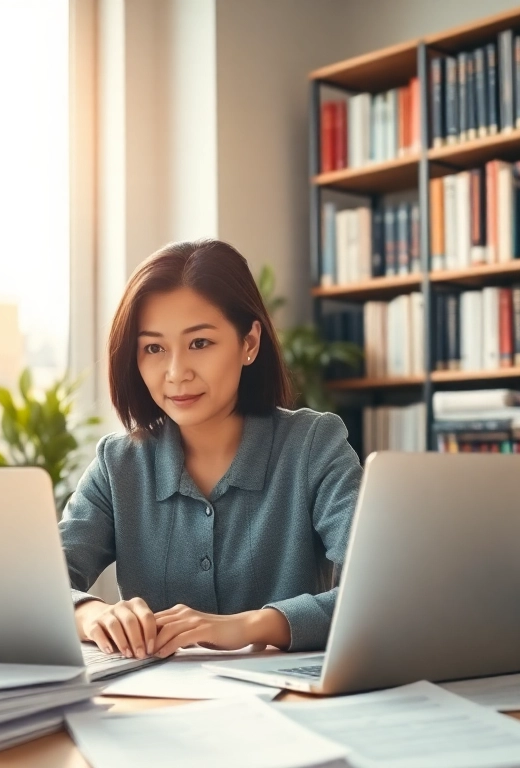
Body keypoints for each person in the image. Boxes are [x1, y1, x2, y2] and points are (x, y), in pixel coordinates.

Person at [60, 239, 362, 661]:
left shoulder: (314, 446)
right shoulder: (118, 464)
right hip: (155, 710)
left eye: (199, 343)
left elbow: (375, 593)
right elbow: (39, 585)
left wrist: (249, 625)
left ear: (249, 343)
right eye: (153, 348)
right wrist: (90, 613)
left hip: (288, 706)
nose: (176, 372)